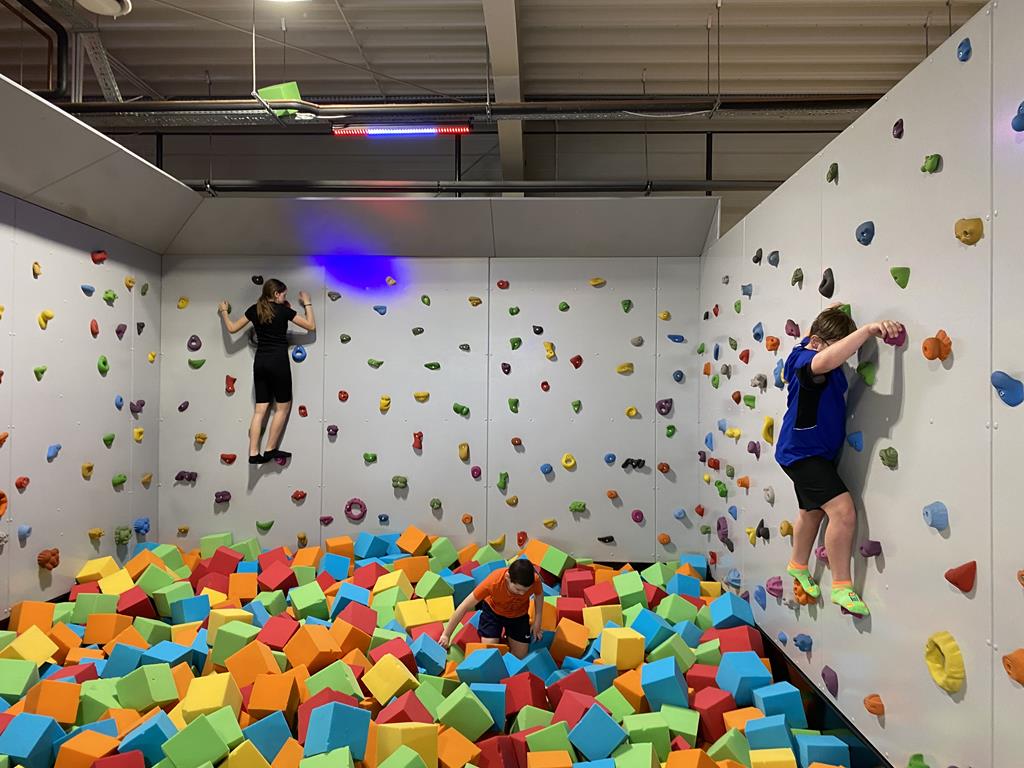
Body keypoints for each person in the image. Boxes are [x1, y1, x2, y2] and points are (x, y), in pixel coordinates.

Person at [775, 306, 902, 617]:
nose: (844, 358)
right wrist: (868, 330)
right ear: (817, 342)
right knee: (843, 512)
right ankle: (842, 586)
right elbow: (823, 360)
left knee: (812, 512)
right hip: (802, 454)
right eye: (840, 349)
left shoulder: (804, 346)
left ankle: (797, 564)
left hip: (808, 451)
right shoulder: (806, 360)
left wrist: (832, 310)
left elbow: (818, 339)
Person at [218, 279, 315, 464]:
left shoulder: (254, 310)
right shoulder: (284, 311)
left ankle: (253, 453)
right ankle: (270, 449)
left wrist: (224, 311)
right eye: (284, 295)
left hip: (260, 362)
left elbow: (232, 328)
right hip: (278, 362)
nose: (285, 298)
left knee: (260, 410)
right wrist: (307, 302)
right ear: (276, 294)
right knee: (282, 407)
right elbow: (310, 326)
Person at [439, 558, 544, 659]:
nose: (522, 594)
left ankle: (509, 638)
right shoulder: (493, 582)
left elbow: (539, 595)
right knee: (489, 653)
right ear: (507, 577)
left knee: (520, 656)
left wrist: (537, 621)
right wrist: (446, 635)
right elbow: (464, 606)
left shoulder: (535, 580)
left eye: (526, 590)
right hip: (493, 613)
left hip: (518, 616)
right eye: (518, 589)